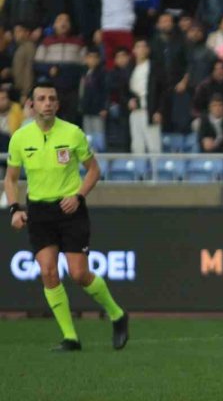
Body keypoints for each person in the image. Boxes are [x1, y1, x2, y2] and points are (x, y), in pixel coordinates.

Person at [7, 80, 129, 351]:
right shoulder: (20, 137)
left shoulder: (73, 133)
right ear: (31, 104)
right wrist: (15, 208)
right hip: (38, 210)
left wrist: (79, 196)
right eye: (41, 99)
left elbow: (94, 170)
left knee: (78, 274)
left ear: (58, 104)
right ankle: (70, 337)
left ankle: (118, 315)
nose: (47, 103)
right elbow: (11, 178)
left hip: (70, 208)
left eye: (52, 98)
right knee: (48, 272)